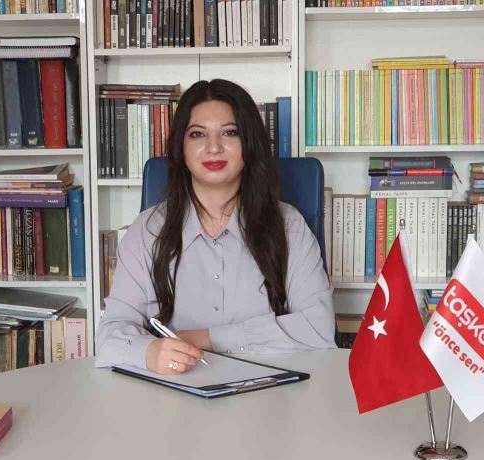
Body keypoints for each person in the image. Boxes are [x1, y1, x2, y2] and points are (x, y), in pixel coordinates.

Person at [95, 79, 336, 375]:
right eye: (197, 134)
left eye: (229, 132)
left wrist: (207, 339)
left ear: (249, 143)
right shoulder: (147, 232)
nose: (213, 148)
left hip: (268, 392)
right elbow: (108, 338)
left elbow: (319, 328)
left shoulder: (289, 226)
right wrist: (148, 352)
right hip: (171, 394)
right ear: (181, 147)